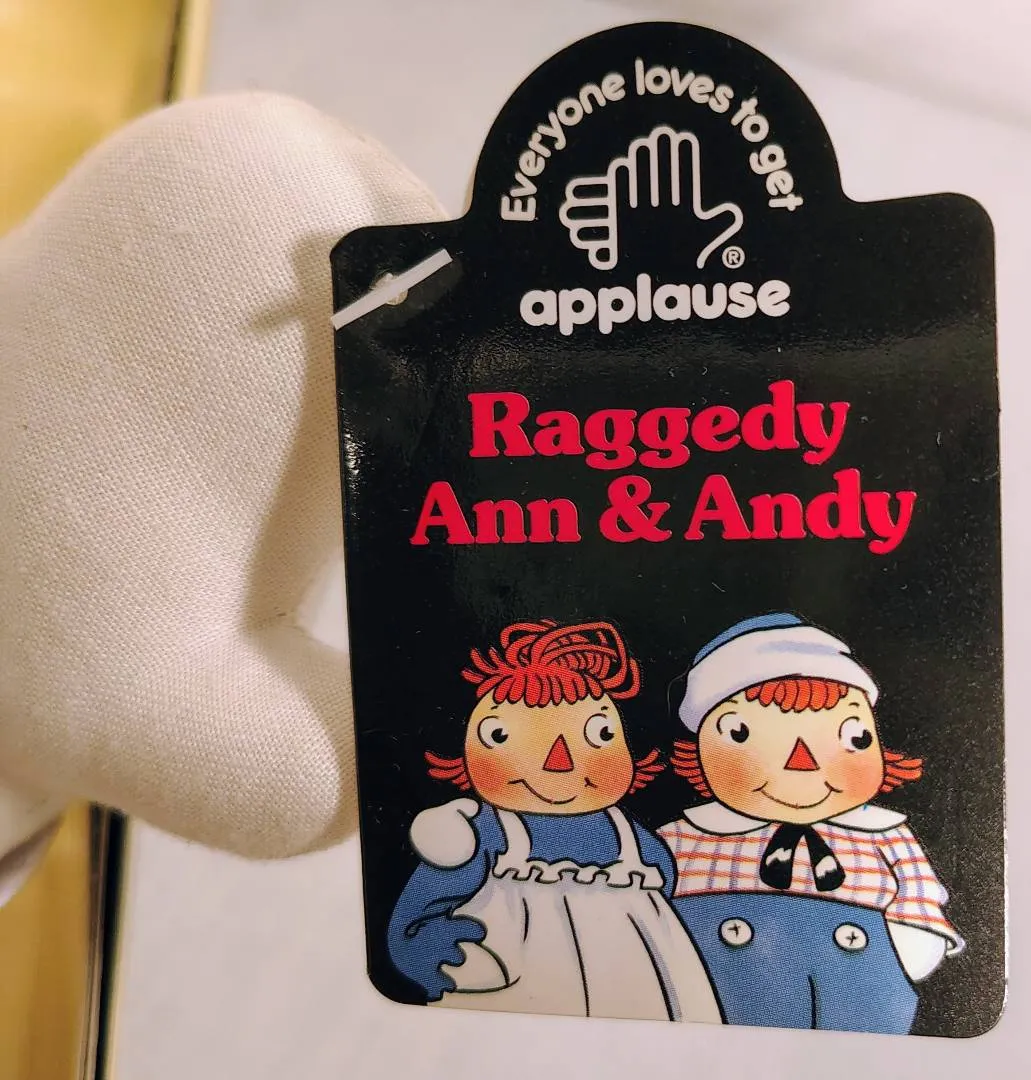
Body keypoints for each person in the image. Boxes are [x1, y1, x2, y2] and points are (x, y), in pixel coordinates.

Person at [387, 619, 721, 1022]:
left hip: (637, 989)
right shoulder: (480, 836)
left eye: (599, 733)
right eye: (502, 736)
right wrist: (438, 954)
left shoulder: (631, 839)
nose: (558, 760)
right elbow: (420, 914)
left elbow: (664, 883)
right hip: (511, 997)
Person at [659, 613, 963, 1034]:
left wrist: (908, 950)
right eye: (742, 733)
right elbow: (652, 904)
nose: (801, 761)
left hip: (860, 996)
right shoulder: (688, 836)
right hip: (716, 1000)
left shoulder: (885, 834)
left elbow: (918, 897)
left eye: (854, 737)